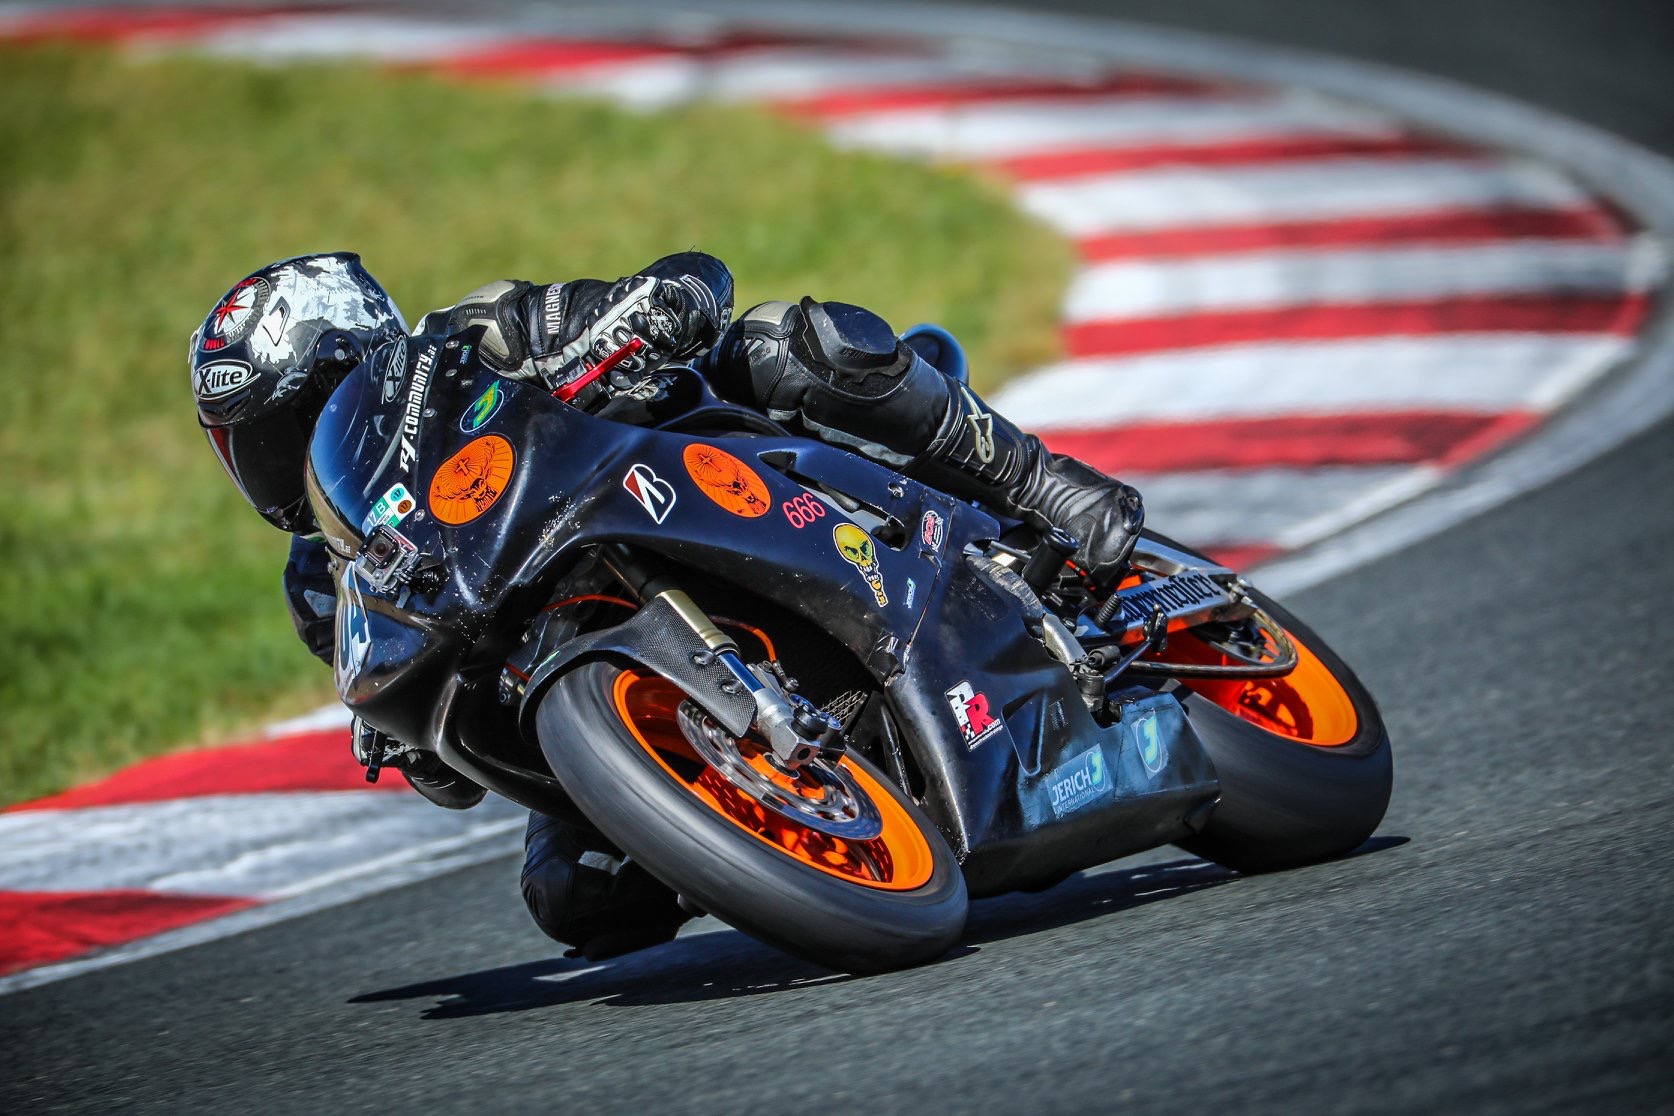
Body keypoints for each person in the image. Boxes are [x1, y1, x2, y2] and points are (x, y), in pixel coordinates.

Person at [189, 250, 1145, 960]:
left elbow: (693, 283)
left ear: (358, 351)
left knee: (791, 344)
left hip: (714, 481)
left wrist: (648, 311)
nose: (280, 454)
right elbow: (453, 779)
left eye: (297, 411)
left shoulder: (478, 337)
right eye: (253, 441)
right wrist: (407, 741)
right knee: (576, 900)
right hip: (576, 668)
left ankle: (1039, 480)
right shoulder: (324, 583)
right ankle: (764, 827)